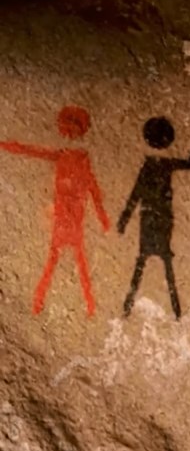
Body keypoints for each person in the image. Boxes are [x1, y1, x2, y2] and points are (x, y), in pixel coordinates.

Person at [0, 105, 109, 317]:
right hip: (65, 216)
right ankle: (74, 305)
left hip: (70, 217)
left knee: (66, 260)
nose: (69, 134)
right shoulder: (67, 156)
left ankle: (50, 303)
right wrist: (8, 146)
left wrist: (103, 217)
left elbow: (94, 189)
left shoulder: (77, 158)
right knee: (68, 260)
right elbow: (32, 151)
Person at [118, 99, 190, 319]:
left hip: (154, 218)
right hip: (160, 218)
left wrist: (125, 218)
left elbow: (136, 194)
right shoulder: (161, 165)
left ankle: (134, 305)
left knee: (147, 261)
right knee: (158, 262)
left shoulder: (153, 165)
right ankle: (170, 309)